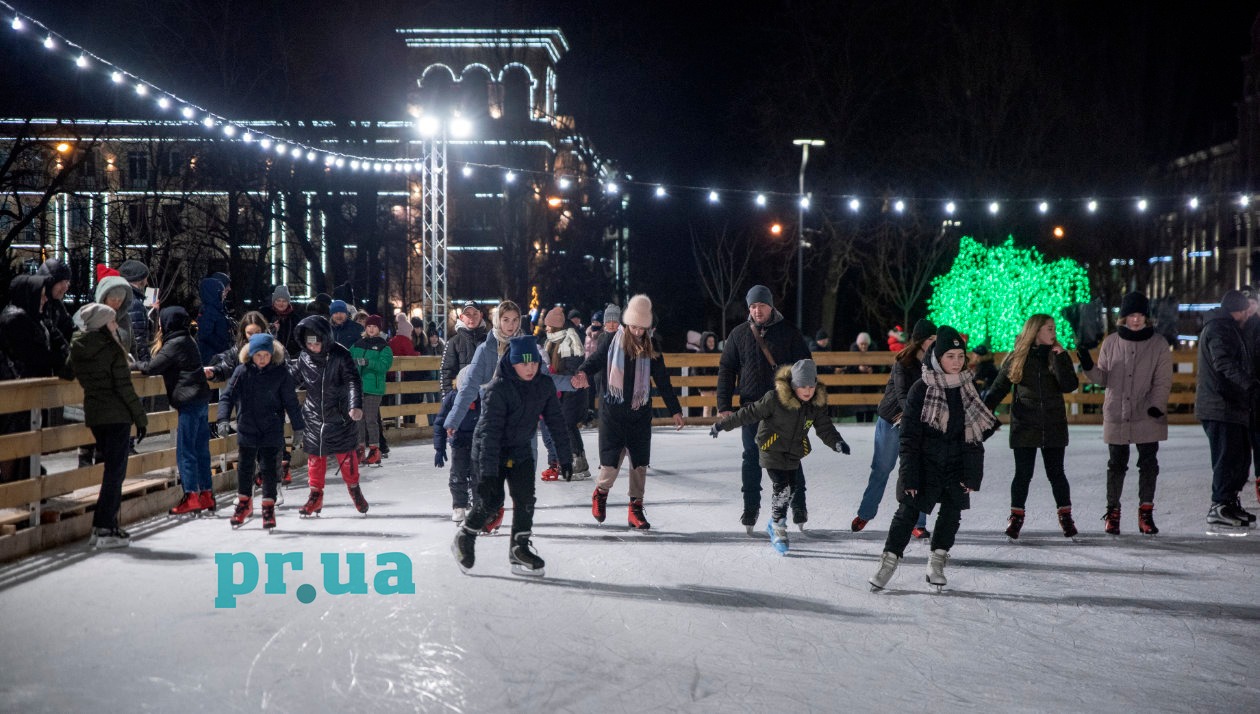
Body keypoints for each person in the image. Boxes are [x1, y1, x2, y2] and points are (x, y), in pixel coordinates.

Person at [868, 327, 998, 591]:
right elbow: (909, 438)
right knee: (907, 513)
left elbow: (974, 437)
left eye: (960, 356)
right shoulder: (921, 389)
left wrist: (972, 474)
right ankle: (888, 562)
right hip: (924, 464)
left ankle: (936, 562)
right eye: (950, 356)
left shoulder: (967, 389)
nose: (957, 362)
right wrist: (909, 476)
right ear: (937, 358)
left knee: (951, 514)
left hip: (955, 464)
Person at [442, 300, 587, 530]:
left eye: (515, 320)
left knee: (523, 478)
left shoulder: (528, 348)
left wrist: (572, 382)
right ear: (497, 320)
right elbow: (469, 386)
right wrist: (453, 419)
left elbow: (544, 380)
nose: (510, 325)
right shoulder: (486, 349)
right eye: (506, 319)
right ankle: (495, 511)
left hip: (522, 421)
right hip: (494, 420)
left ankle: (521, 530)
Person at [451, 336, 572, 576]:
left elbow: (556, 422)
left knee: (526, 499)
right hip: (491, 450)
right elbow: (489, 434)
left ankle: (519, 548)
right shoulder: (498, 389)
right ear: (513, 363)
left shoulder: (544, 385)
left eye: (534, 363)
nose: (530, 368)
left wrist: (565, 457)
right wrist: (486, 475)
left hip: (520, 449)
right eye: (524, 363)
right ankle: (464, 537)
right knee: (491, 501)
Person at [711, 359, 850, 553]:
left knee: (791, 488)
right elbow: (747, 413)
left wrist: (837, 442)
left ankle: (774, 522)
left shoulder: (815, 405)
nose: (808, 390)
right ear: (793, 385)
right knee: (782, 488)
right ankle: (778, 527)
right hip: (771, 448)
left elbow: (824, 427)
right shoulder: (774, 399)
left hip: (793, 451)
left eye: (811, 385)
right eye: (803, 386)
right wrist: (721, 425)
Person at [578, 294, 684, 530]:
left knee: (639, 464)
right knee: (610, 465)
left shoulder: (652, 346)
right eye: (633, 326)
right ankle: (600, 494)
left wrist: (675, 410)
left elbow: (663, 380)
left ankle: (635, 509)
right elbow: (594, 361)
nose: (637, 331)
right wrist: (582, 373)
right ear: (627, 323)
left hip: (639, 415)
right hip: (612, 413)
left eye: (641, 327)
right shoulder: (610, 340)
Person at [716, 285, 811, 531]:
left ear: (771, 306)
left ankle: (798, 504)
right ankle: (750, 508)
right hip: (750, 407)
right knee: (751, 457)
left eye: (761, 305)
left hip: (783, 409)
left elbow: (805, 366)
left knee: (789, 457)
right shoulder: (738, 335)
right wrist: (724, 406)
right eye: (753, 306)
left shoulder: (789, 332)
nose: (757, 310)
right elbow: (726, 369)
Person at [1077, 292, 1172, 535]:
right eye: (1132, 315)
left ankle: (1146, 513)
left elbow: (1163, 381)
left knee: (1149, 463)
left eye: (1140, 315)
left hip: (1148, 413)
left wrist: (1156, 405)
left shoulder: (1158, 344)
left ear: (1147, 317)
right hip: (1117, 412)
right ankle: (1113, 513)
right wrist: (1088, 365)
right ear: (1123, 317)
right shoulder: (1111, 342)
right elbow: (1104, 378)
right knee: (1116, 464)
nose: (1136, 320)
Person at [983, 314, 1081, 541]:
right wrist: (984, 411)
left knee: (1056, 473)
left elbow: (1069, 385)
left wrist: (1061, 357)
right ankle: (1015, 518)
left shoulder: (1057, 356)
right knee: (1023, 474)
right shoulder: (1018, 358)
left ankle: (1066, 518)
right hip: (1025, 425)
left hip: (1053, 424)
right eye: (1049, 328)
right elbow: (998, 389)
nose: (1053, 332)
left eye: (1054, 328)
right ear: (1036, 331)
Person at [66, 303, 148, 548]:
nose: (116, 325)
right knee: (115, 472)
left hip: (95, 415)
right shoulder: (112, 349)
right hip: (117, 416)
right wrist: (141, 418)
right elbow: (124, 387)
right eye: (112, 322)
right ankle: (103, 526)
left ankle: (107, 524)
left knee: (110, 470)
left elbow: (67, 371)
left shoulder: (77, 346)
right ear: (103, 324)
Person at [852, 319, 935, 535]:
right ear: (919, 341)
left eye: (936, 339)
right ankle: (865, 513)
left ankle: (918, 523)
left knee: (917, 471)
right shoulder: (903, 363)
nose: (934, 344)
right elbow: (902, 395)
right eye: (930, 340)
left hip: (917, 424)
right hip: (892, 421)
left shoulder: (935, 364)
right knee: (882, 469)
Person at [219, 333, 304, 530]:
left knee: (269, 470)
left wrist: (298, 427)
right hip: (247, 427)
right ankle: (244, 503)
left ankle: (268, 506)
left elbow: (291, 402)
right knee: (245, 468)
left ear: (272, 354)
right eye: (258, 355)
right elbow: (227, 397)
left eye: (266, 355)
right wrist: (223, 419)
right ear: (251, 355)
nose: (262, 359)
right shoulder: (241, 371)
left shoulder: (281, 373)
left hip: (271, 429)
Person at [138, 307, 215, 517]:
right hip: (199, 400)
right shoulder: (188, 340)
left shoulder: (175, 343)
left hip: (189, 402)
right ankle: (206, 493)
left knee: (186, 451)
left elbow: (151, 367)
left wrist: (132, 364)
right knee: (200, 450)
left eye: (162, 322)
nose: (160, 326)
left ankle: (191, 496)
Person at [292, 315, 369, 517]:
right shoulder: (304, 358)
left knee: (347, 458)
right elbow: (292, 378)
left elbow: (353, 381)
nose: (314, 347)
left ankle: (354, 489)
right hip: (314, 416)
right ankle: (315, 496)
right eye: (310, 343)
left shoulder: (340, 355)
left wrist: (355, 406)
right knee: (315, 458)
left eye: (317, 343)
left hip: (340, 417)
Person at [1196, 289, 1259, 531]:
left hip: (1232, 406)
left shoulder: (1229, 328)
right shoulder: (1219, 329)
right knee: (1226, 457)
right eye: (1246, 309)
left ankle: (1230, 501)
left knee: (1239, 457)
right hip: (1219, 405)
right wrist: (1249, 385)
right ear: (1240, 310)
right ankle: (1219, 505)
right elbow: (1223, 363)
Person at [542, 306, 591, 480]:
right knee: (567, 425)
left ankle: (577, 460)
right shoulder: (553, 341)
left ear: (556, 326)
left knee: (567, 424)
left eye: (548, 326)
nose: (545, 328)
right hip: (562, 391)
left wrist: (557, 376)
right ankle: (580, 460)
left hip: (572, 390)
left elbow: (573, 369)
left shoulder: (569, 341)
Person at [434, 366, 481, 522]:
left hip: (479, 442)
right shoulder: (452, 398)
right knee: (458, 475)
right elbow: (440, 422)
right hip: (459, 442)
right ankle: (459, 507)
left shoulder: (484, 398)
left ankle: (478, 507)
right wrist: (439, 448)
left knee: (478, 477)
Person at [351, 315, 393, 466]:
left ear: (379, 329)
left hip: (373, 388)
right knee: (358, 420)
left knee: (370, 419)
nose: (371, 329)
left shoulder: (384, 347)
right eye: (369, 326)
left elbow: (384, 366)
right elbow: (348, 358)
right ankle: (360, 448)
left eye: (374, 326)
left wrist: (368, 362)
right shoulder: (357, 344)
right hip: (358, 387)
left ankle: (375, 449)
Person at [440, 301, 488, 395]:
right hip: (463, 400)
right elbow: (447, 374)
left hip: (486, 400)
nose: (472, 318)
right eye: (468, 314)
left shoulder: (490, 341)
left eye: (475, 314)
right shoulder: (453, 342)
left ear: (481, 315)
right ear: (462, 317)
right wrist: (450, 400)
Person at [118, 259, 153, 362]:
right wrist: (147, 363)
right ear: (140, 279)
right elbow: (138, 338)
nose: (147, 281)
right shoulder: (134, 302)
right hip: (134, 360)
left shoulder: (122, 296)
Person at [37, 258, 75, 350]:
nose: (65, 287)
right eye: (61, 282)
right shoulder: (34, 304)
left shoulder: (57, 304)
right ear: (49, 282)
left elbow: (70, 329)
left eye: (67, 282)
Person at [196, 274, 231, 365]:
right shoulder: (208, 310)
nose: (224, 294)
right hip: (211, 357)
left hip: (216, 355)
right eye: (222, 292)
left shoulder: (217, 309)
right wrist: (223, 346)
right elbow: (205, 334)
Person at [261, 285, 301, 355]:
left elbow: (299, 339)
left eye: (284, 301)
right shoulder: (265, 315)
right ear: (274, 301)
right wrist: (271, 329)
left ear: (288, 302)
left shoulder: (295, 318)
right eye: (278, 300)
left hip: (290, 357)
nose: (281, 304)